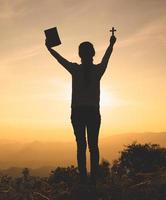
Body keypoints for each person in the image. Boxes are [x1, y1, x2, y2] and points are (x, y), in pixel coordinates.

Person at [45, 34, 116, 185]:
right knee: (93, 146)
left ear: (79, 54)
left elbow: (60, 60)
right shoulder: (98, 70)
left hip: (77, 112)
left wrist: (49, 49)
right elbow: (106, 58)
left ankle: (83, 178)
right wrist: (111, 44)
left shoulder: (75, 69)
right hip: (92, 112)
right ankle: (93, 180)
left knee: (81, 145)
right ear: (93, 53)